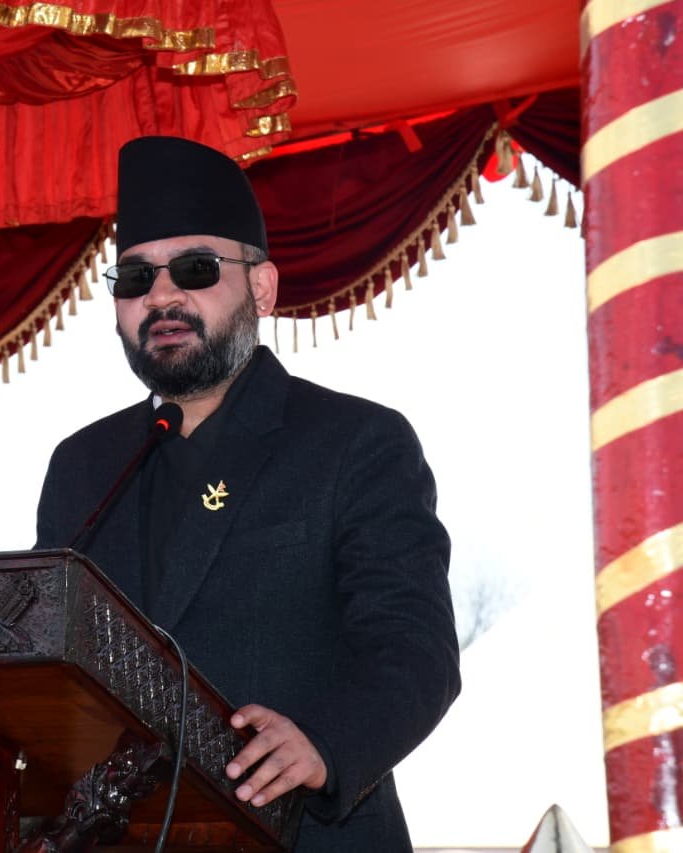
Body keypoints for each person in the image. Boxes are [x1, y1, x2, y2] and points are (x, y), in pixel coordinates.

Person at [34, 136, 460, 852]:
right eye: (134, 278)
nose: (161, 297)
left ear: (261, 288)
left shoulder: (354, 441)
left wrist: (324, 740)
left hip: (303, 833)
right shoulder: (83, 465)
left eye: (194, 269)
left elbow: (415, 649)